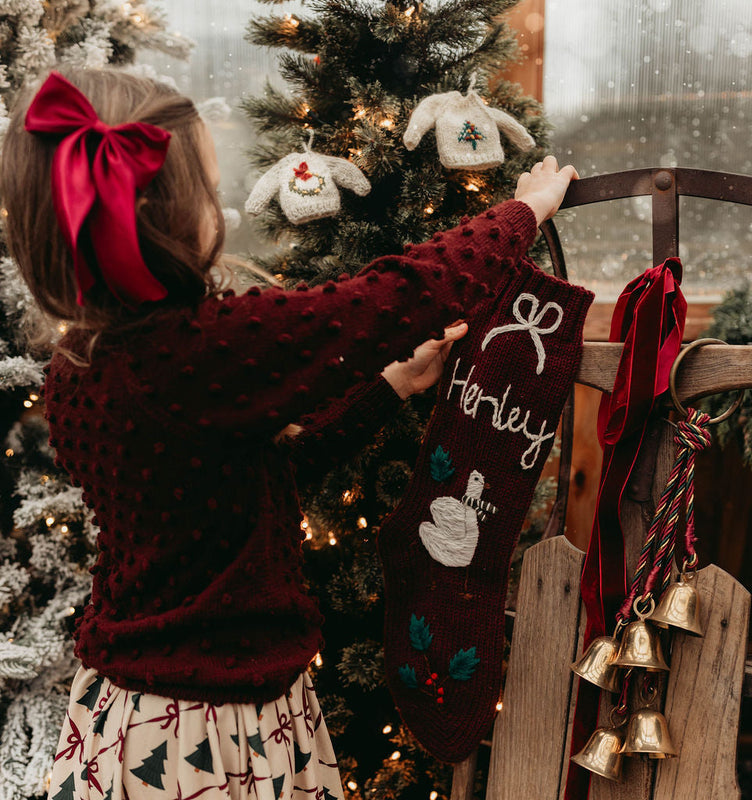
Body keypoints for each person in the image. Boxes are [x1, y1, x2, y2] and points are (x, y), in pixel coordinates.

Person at [0, 67, 578, 800]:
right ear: (167, 218)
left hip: (132, 716)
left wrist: (390, 386)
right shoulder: (201, 348)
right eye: (209, 191)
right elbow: (397, 297)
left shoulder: (86, 363)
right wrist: (522, 214)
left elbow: (256, 483)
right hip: (210, 735)